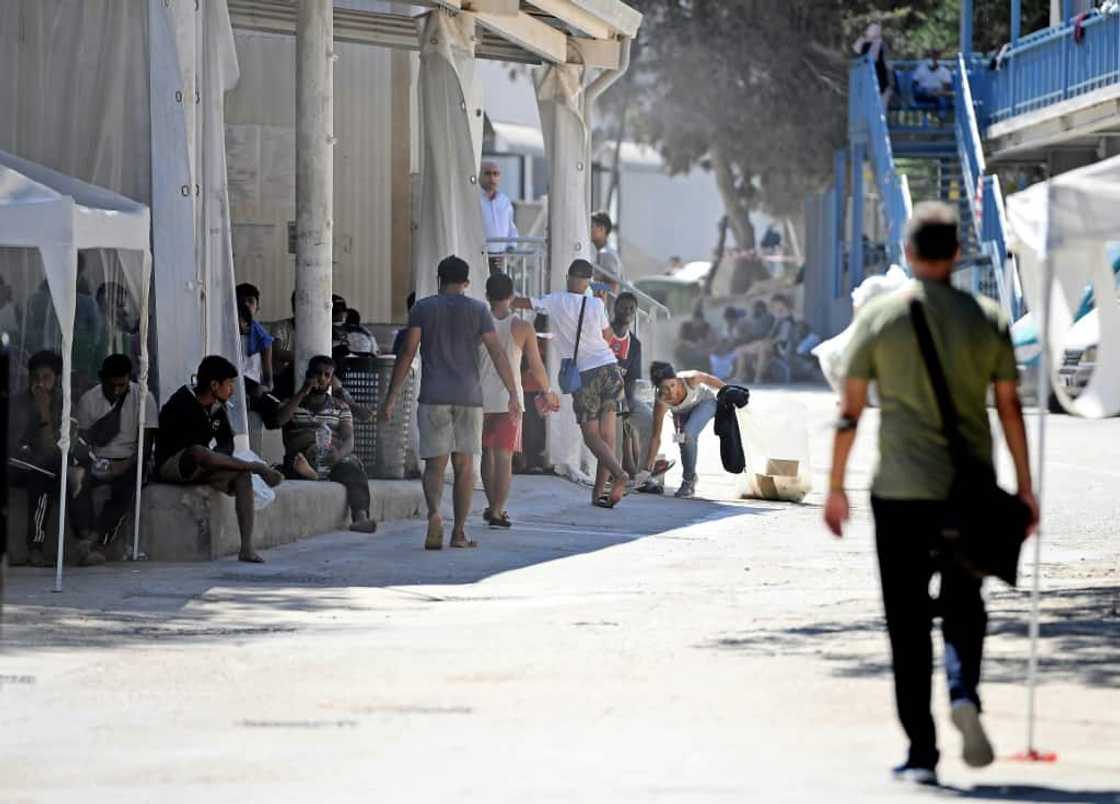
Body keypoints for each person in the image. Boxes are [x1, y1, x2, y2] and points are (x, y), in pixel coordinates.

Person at [823, 202, 1039, 786]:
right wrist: (1025, 488)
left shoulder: (879, 319)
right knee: (965, 602)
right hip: (967, 492)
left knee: (907, 620)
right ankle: (964, 689)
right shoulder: (987, 317)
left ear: (910, 254)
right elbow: (1011, 409)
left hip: (898, 494)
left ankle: (922, 752)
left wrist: (835, 487)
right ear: (958, 255)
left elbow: (849, 413)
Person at [381, 255, 521, 550]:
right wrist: (513, 392)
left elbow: (408, 351)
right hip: (469, 398)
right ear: (467, 283)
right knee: (465, 466)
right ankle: (458, 532)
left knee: (435, 464)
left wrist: (391, 396)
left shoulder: (423, 308)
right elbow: (496, 352)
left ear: (438, 280)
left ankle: (434, 514)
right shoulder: (479, 310)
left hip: (433, 395)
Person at [514, 259, 630, 508]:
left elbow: (525, 303)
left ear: (568, 276)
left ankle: (619, 475)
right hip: (610, 369)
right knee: (607, 436)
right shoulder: (596, 303)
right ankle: (598, 494)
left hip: (586, 375)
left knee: (591, 436)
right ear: (588, 281)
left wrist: (498, 299)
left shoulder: (556, 300)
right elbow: (608, 338)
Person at [155, 355, 284, 563]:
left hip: (203, 465)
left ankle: (247, 548)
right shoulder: (182, 403)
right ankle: (256, 467)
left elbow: (227, 444)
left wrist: (224, 459)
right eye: (229, 384)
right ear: (214, 385)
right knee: (199, 451)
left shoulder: (217, 408)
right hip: (174, 465)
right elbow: (192, 451)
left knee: (241, 477)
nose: (231, 389)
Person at [477, 272, 556, 528]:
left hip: (478, 397)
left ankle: (491, 505)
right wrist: (548, 391)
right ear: (511, 297)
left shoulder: (477, 322)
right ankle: (499, 511)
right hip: (509, 399)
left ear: (487, 295)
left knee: (486, 454)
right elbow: (535, 366)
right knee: (504, 458)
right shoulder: (522, 327)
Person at [274, 354, 378, 533]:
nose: (321, 378)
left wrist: (338, 455)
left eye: (326, 375)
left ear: (331, 380)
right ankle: (313, 473)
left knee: (352, 469)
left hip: (329, 456)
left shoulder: (340, 407)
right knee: (293, 463)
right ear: (308, 374)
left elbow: (348, 440)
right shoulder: (290, 404)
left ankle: (360, 518)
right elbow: (278, 421)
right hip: (301, 456)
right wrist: (303, 392)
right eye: (317, 374)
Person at [71, 354, 158, 563]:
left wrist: (124, 465)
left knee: (126, 489)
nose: (117, 390)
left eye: (122, 384)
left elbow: (146, 447)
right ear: (103, 380)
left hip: (131, 460)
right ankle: (85, 537)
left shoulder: (144, 398)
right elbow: (81, 444)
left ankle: (99, 542)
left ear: (129, 378)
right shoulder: (89, 400)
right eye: (112, 385)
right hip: (97, 458)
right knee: (75, 480)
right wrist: (93, 462)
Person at [6, 351, 77, 567]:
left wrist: (45, 413)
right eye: (35, 378)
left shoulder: (63, 404)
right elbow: (17, 447)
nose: (39, 384)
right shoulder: (19, 402)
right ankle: (36, 547)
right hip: (18, 465)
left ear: (57, 379)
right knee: (45, 472)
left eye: (45, 378)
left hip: (45, 468)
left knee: (50, 474)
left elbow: (54, 451)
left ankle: (39, 546)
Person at [643, 362, 724, 499]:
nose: (671, 392)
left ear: (677, 380)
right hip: (681, 413)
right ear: (657, 388)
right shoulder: (661, 402)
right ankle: (689, 480)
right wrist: (647, 469)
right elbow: (656, 437)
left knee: (688, 434)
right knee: (682, 441)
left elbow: (711, 380)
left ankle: (688, 481)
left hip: (705, 403)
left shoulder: (690, 378)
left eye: (673, 385)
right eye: (665, 388)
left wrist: (731, 391)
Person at [609, 291, 644, 476]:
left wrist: (630, 405)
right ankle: (627, 466)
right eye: (624, 307)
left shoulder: (635, 345)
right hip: (600, 391)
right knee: (621, 412)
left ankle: (639, 467)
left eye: (632, 308)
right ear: (615, 308)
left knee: (637, 414)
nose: (628, 311)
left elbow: (631, 379)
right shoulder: (604, 333)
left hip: (620, 395)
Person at [733, 295, 798, 383]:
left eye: (776, 304)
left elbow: (783, 338)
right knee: (741, 350)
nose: (774, 307)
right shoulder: (777, 317)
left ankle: (758, 377)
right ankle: (739, 375)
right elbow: (771, 334)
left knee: (762, 347)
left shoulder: (788, 319)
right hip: (770, 344)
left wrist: (767, 341)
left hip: (781, 347)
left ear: (782, 304)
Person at [480, 161, 518, 255]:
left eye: (496, 174)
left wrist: (511, 247)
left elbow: (511, 227)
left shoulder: (505, 201)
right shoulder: (473, 199)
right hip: (478, 256)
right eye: (488, 173)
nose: (492, 178)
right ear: (479, 176)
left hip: (500, 257)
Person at [853, 22, 892, 106]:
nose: (872, 31)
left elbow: (873, 58)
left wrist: (875, 40)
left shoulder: (880, 43)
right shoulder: (864, 43)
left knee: (879, 109)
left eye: (875, 30)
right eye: (870, 29)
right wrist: (865, 37)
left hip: (881, 85)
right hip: (867, 84)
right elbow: (855, 50)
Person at [675, 303, 715, 371]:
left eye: (700, 321)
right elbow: (679, 340)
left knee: (706, 355)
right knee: (679, 348)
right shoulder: (685, 326)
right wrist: (688, 343)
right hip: (688, 350)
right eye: (696, 321)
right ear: (693, 320)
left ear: (702, 320)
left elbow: (712, 340)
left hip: (702, 350)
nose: (698, 323)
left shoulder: (706, 327)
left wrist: (704, 344)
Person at [912, 49, 953, 115]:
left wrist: (937, 92)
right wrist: (927, 92)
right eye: (931, 57)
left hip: (937, 96)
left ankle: (941, 121)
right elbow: (914, 86)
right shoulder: (920, 69)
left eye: (935, 57)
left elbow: (947, 88)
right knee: (920, 90)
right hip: (923, 95)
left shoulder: (944, 71)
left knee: (943, 99)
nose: (933, 59)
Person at [590, 210, 623, 288]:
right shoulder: (601, 252)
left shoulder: (607, 254)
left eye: (591, 226)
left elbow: (615, 285)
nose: (588, 230)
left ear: (602, 229)